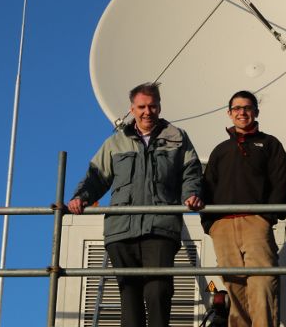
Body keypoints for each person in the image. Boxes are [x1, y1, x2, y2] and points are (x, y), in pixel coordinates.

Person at [67, 82, 204, 327]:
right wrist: (81, 197)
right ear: (132, 109)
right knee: (129, 297)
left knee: (158, 292)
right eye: (141, 107)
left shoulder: (177, 138)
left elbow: (191, 172)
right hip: (121, 230)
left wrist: (191, 194)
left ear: (159, 107)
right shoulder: (115, 143)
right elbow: (96, 177)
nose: (147, 112)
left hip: (160, 227)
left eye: (152, 106)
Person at [200, 90, 286, 327]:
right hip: (223, 226)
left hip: (255, 222)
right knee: (235, 288)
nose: (242, 112)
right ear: (229, 114)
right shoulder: (220, 150)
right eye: (237, 108)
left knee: (262, 284)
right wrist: (211, 224)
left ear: (256, 111)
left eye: (247, 107)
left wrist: (266, 217)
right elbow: (207, 187)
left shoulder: (270, 144)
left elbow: (281, 180)